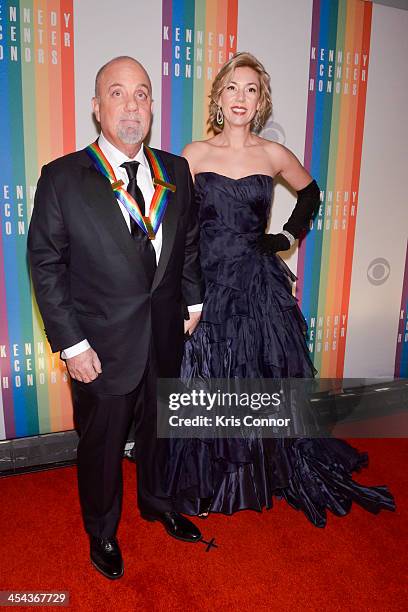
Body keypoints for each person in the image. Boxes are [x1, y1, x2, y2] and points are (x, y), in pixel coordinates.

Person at [164, 52, 395, 526]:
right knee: (205, 380)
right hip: (207, 284)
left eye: (250, 89)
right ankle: (206, 479)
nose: (240, 98)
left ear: (261, 99)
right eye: (232, 87)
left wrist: (286, 236)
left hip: (256, 283)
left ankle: (262, 472)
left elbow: (310, 193)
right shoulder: (192, 154)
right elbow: (175, 225)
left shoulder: (271, 155)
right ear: (218, 96)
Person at [28, 56, 204, 580]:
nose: (132, 105)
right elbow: (46, 264)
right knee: (101, 446)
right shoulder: (61, 177)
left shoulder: (176, 170)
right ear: (96, 106)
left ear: (152, 106)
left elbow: (187, 243)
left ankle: (157, 501)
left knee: (161, 431)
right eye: (118, 93)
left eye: (143, 94)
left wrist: (193, 301)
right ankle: (101, 532)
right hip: (99, 347)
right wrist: (71, 344)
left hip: (166, 335)